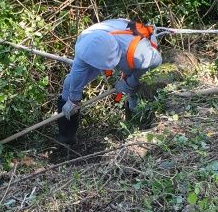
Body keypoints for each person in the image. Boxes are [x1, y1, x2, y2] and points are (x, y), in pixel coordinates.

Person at [57, 18, 162, 147]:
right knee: (69, 84)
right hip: (101, 47)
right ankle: (66, 138)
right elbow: (77, 74)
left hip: (132, 50)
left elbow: (156, 61)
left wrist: (130, 82)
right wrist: (73, 99)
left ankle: (136, 134)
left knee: (134, 94)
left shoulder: (139, 54)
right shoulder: (85, 44)